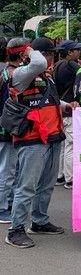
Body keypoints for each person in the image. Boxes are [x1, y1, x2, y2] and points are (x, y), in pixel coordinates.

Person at [5, 38, 78, 249]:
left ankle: (39, 221)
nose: (50, 58)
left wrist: (68, 106)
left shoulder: (45, 76)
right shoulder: (19, 74)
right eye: (47, 54)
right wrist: (30, 50)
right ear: (25, 55)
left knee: (46, 185)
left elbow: (50, 100)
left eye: (51, 54)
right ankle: (15, 230)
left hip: (53, 135)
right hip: (32, 139)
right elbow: (37, 63)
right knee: (26, 186)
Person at [0, 38, 30, 224]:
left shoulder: (6, 72)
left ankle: (7, 203)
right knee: (8, 170)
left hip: (7, 126)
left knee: (10, 169)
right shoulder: (12, 73)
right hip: (7, 128)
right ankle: (2, 207)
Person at [52, 40, 81, 190]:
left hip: (59, 107)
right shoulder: (72, 65)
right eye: (76, 50)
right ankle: (70, 179)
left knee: (62, 145)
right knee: (70, 145)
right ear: (70, 52)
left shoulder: (57, 65)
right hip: (70, 108)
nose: (79, 52)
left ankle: (59, 176)